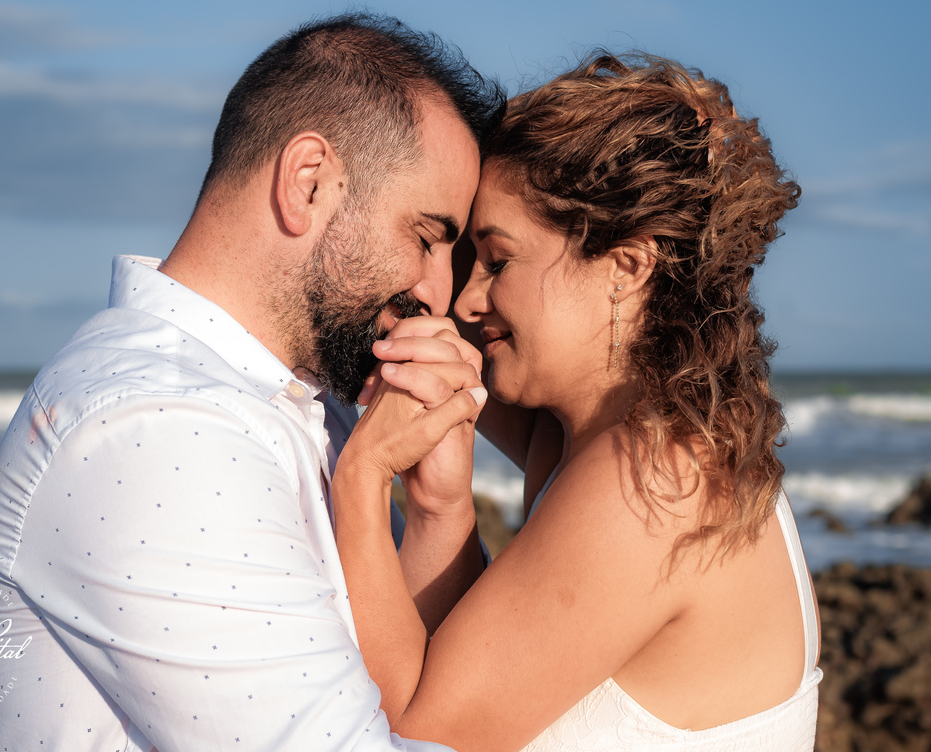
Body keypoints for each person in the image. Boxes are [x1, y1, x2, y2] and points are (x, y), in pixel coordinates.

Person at [0, 12, 503, 751]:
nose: (440, 294)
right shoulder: (150, 430)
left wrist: (440, 512)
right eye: (426, 237)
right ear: (307, 182)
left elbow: (428, 700)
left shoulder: (316, 413)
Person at [332, 53, 820, 751]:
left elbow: (416, 733)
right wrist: (441, 507)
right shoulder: (588, 431)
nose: (468, 296)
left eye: (497, 260)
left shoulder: (653, 477)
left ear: (627, 264)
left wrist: (361, 478)